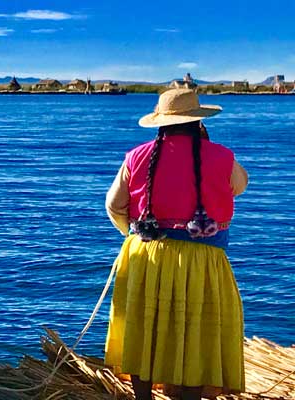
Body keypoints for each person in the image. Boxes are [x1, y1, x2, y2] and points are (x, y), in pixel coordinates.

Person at [104, 89, 249, 400]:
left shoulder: (137, 156)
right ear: (198, 122)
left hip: (146, 254)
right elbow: (239, 186)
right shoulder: (222, 156)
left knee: (143, 326)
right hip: (201, 258)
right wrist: (206, 150)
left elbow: (114, 205)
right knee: (197, 328)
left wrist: (132, 235)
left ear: (161, 123)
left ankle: (143, 397)